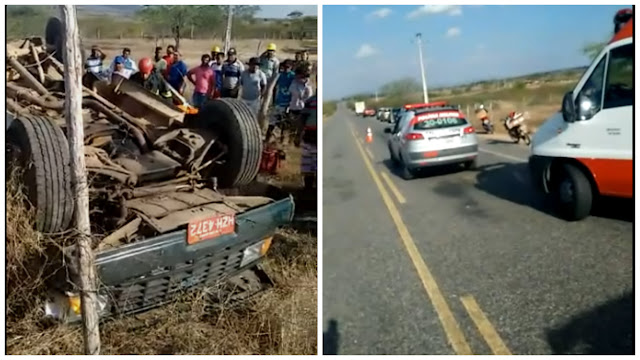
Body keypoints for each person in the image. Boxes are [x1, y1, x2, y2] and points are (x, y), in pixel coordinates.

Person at [265, 59, 295, 143]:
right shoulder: (280, 75)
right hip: (278, 103)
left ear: (291, 67)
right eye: (284, 67)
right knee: (272, 123)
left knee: (284, 125)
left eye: (288, 67)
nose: (286, 69)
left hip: (287, 104)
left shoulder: (293, 76)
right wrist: (274, 100)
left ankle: (282, 143)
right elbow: (275, 88)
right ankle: (267, 140)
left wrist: (290, 104)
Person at [289, 64, 314, 146]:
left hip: (302, 109)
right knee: (292, 127)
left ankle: (298, 143)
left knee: (301, 128)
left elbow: (308, 98)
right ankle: (290, 142)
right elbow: (292, 92)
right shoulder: (294, 82)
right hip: (293, 107)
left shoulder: (308, 86)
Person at [300, 81, 317, 191]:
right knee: (308, 166)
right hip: (308, 137)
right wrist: (298, 135)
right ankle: (307, 190)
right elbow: (302, 119)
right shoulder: (310, 101)